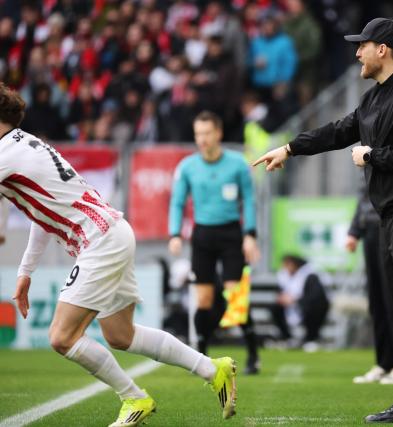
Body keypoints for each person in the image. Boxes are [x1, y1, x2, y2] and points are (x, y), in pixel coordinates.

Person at [0, 83, 236, 426]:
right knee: (120, 335)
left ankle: (134, 398)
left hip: (100, 241)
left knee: (62, 337)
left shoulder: (7, 153)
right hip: (112, 232)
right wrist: (25, 273)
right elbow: (43, 216)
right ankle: (211, 369)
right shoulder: (24, 145)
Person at [253, 17, 393, 424]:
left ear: (383, 50)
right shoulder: (377, 96)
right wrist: (290, 148)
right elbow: (339, 130)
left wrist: (371, 155)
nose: (356, 52)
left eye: (363, 45)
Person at [168, 111, 262, 375]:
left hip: (231, 235)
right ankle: (202, 356)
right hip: (203, 236)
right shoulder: (187, 166)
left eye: (207, 133)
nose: (202, 139)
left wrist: (250, 234)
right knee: (204, 299)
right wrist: (174, 233)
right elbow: (177, 202)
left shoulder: (237, 164)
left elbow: (249, 200)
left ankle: (253, 354)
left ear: (218, 133)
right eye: (198, 134)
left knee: (235, 297)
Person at [347, 183, 393, 385]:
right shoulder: (368, 154)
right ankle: (385, 362)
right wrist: (354, 230)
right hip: (371, 230)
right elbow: (364, 195)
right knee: (376, 301)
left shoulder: (383, 153)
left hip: (389, 225)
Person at [270, 254, 330, 351]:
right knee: (275, 308)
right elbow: (280, 291)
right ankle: (287, 337)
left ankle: (311, 338)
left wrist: (295, 300)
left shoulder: (310, 274)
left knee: (314, 308)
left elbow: (315, 295)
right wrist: (283, 298)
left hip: (307, 305)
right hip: (291, 306)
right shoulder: (283, 275)